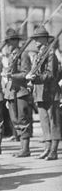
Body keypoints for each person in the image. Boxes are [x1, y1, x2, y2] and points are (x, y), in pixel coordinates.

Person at [26, 26, 61, 160]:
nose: (35, 41)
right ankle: (47, 148)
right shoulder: (38, 55)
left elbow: (50, 75)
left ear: (45, 39)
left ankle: (54, 150)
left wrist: (36, 78)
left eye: (37, 38)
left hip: (51, 92)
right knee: (44, 121)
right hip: (40, 92)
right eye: (34, 39)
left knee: (54, 121)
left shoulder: (50, 54)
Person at [2, 28, 32, 157]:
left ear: (17, 41)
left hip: (21, 91)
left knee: (22, 119)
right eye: (8, 41)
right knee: (15, 120)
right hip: (11, 91)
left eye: (12, 40)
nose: (9, 43)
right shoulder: (11, 55)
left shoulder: (23, 54)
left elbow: (26, 73)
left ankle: (25, 148)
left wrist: (12, 76)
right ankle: (22, 146)